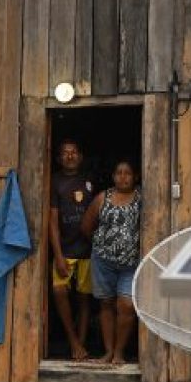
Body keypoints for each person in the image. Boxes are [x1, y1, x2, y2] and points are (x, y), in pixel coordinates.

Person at [81, 160, 142, 365]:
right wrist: (102, 245)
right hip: (103, 261)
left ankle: (119, 352)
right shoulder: (103, 198)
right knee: (106, 304)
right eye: (119, 173)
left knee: (126, 305)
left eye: (127, 173)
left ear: (135, 177)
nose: (123, 177)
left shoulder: (142, 197)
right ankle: (108, 352)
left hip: (131, 263)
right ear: (113, 176)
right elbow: (86, 226)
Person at [49, 139, 96, 360]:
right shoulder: (54, 182)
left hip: (88, 250)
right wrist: (58, 255)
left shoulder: (90, 181)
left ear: (81, 156)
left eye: (74, 152)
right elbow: (52, 221)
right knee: (59, 291)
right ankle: (73, 341)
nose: (70, 156)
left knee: (84, 297)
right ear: (58, 158)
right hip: (65, 250)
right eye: (65, 153)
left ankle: (82, 344)